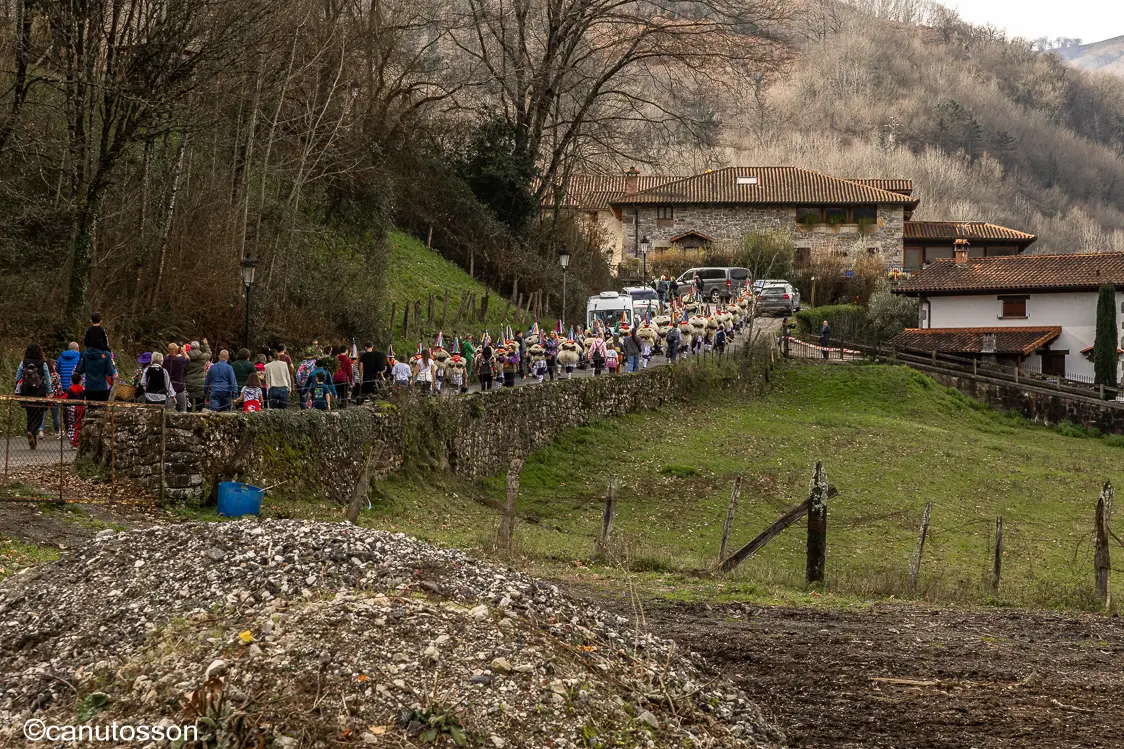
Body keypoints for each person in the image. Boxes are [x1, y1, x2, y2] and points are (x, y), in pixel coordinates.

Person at [15, 344, 50, 449]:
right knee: (39, 415)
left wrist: (18, 389)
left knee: (30, 415)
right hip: (40, 392)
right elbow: (47, 378)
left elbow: (18, 377)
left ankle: (31, 434)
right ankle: (33, 432)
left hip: (27, 391)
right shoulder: (43, 364)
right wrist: (49, 391)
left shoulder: (23, 363)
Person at [185, 338, 211, 411]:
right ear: (199, 347)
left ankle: (188, 416)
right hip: (200, 383)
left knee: (189, 404)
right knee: (200, 404)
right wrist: (206, 344)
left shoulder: (186, 357)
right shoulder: (202, 356)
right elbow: (209, 353)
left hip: (188, 382)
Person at [164, 343, 189, 412]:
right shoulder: (180, 360)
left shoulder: (164, 360)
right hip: (179, 389)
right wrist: (184, 351)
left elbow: (166, 356)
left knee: (169, 411)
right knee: (182, 410)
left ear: (168, 350)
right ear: (176, 350)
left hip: (168, 389)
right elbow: (188, 360)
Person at [63, 372, 85, 449]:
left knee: (71, 424)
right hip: (80, 408)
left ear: (71, 381)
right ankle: (77, 441)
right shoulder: (82, 390)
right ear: (80, 381)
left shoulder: (69, 390)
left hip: (71, 408)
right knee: (78, 424)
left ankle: (72, 441)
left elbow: (65, 399)